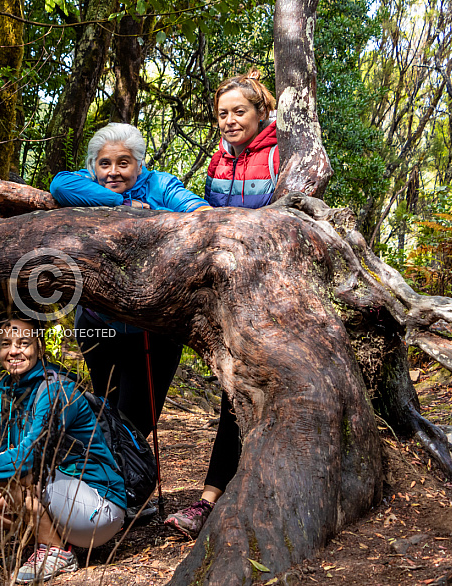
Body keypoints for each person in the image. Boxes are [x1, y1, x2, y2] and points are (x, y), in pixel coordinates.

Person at [164, 69, 279, 538]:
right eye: (223, 114)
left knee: (243, 394)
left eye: (239, 111)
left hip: (268, 289)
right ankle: (218, 497)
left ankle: (213, 499)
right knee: (232, 390)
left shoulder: (280, 154)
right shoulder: (219, 159)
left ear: (261, 113)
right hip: (224, 292)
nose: (230, 121)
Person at [48, 122, 209, 449]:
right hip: (97, 323)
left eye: (124, 163)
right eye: (104, 163)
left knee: (136, 421)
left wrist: (151, 217)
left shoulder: (160, 185)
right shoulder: (82, 183)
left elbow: (202, 215)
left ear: (140, 163)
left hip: (152, 328)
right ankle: (109, 492)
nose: (113, 172)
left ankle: (114, 490)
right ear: (93, 165)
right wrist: (121, 206)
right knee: (107, 409)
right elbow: (58, 184)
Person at [0, 313, 126, 584]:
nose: (14, 351)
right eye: (6, 343)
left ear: (40, 348)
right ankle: (51, 540)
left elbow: (29, 457)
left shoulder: (56, 390)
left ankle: (55, 552)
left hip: (100, 507)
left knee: (18, 470)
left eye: (23, 343)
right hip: (65, 499)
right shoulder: (8, 392)